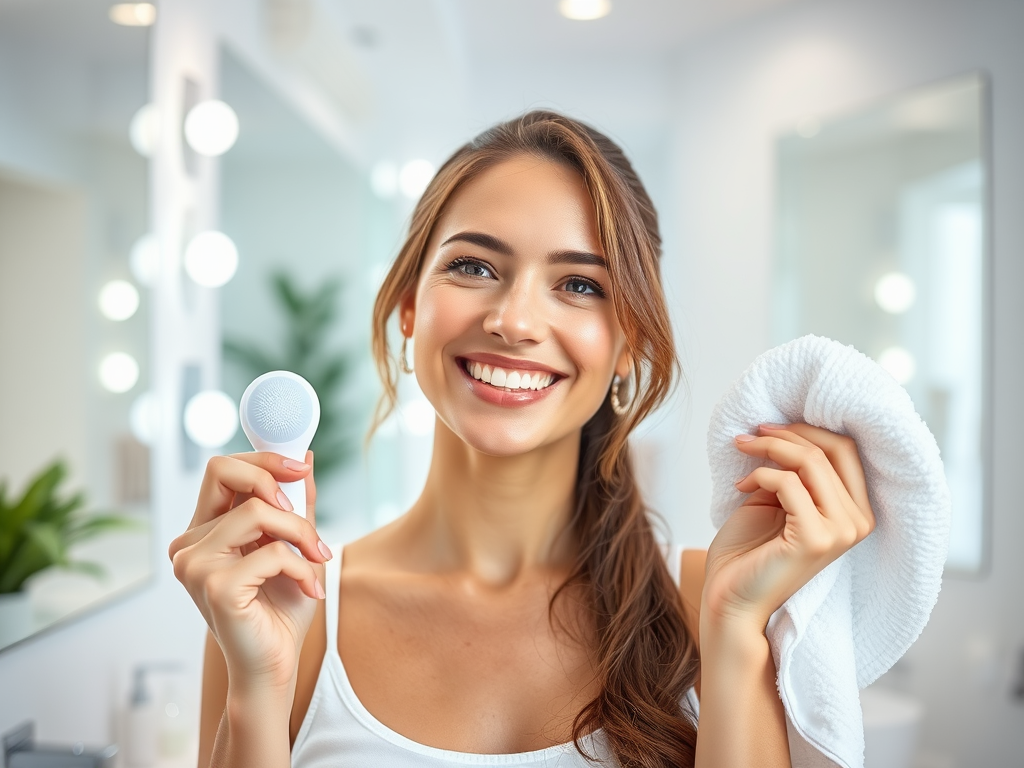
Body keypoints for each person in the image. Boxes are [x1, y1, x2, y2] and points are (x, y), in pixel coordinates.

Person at [170, 111, 876, 768]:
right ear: (411, 304)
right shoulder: (288, 607)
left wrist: (735, 626)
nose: (514, 320)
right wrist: (257, 688)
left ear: (629, 341)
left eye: (577, 284)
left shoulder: (714, 602)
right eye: (474, 267)